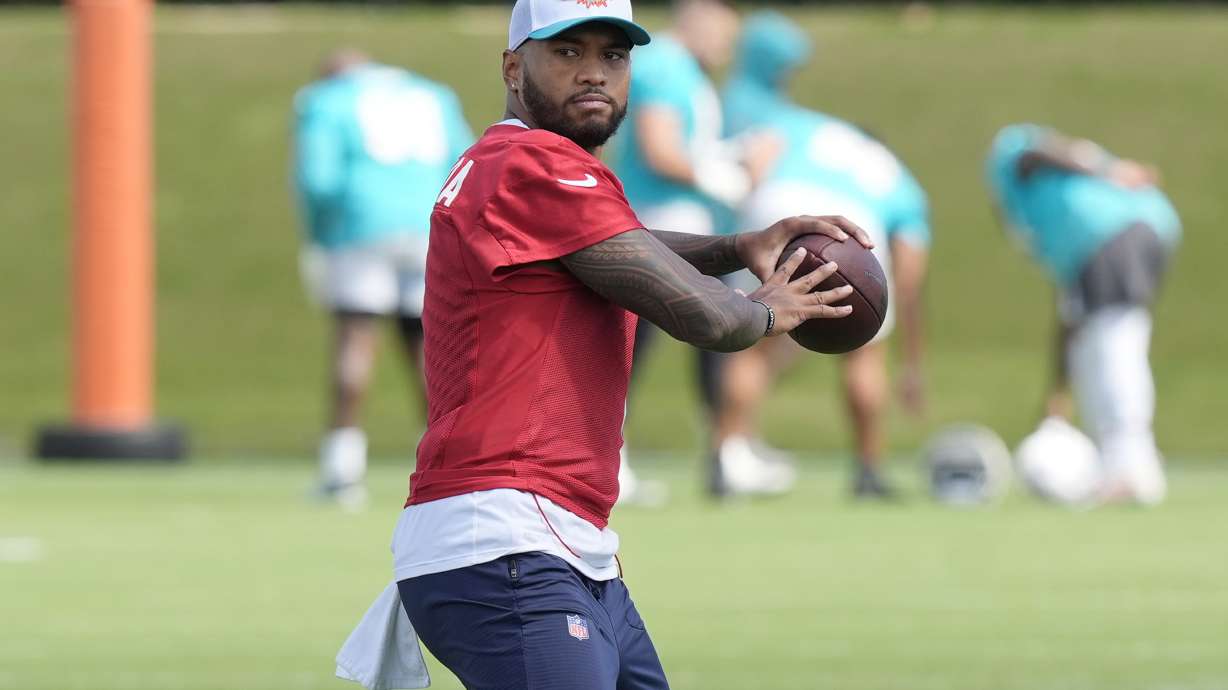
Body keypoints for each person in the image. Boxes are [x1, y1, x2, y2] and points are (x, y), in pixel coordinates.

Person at [338, 1, 874, 687]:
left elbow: (620, 248)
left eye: (612, 56)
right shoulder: (534, 162)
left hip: (555, 543)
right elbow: (708, 320)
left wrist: (739, 245)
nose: (594, 73)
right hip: (508, 542)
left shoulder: (523, 167)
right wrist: (766, 309)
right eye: (567, 52)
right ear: (511, 67)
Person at [719, 12, 933, 499]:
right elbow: (911, 272)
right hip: (852, 224)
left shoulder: (802, 123)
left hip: (777, 204)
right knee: (864, 351)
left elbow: (753, 161)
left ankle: (724, 454)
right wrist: (912, 360)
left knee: (758, 332)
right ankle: (868, 468)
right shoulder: (894, 175)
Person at [610, 0, 788, 499]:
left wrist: (737, 155)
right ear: (697, 16)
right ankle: (607, 464)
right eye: (722, 35)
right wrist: (731, 177)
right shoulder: (665, 62)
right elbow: (660, 150)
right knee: (626, 348)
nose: (725, 49)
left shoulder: (687, 71)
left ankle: (728, 454)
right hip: (659, 225)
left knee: (721, 336)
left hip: (687, 226)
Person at [293, 51, 474, 506]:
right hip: (427, 227)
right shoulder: (432, 94)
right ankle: (446, 462)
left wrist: (318, 238)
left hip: (358, 227)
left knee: (355, 338)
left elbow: (318, 180)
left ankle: (342, 467)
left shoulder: (326, 100)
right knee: (427, 346)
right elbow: (466, 162)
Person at [985, 124, 1181, 505]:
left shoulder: (1009, 160)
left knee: (1116, 343)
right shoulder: (1048, 231)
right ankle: (1115, 467)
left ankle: (1135, 466)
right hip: (1124, 237)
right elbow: (1069, 317)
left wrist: (1109, 172)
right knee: (1096, 345)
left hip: (1119, 233)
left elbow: (1037, 153)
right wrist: (1057, 398)